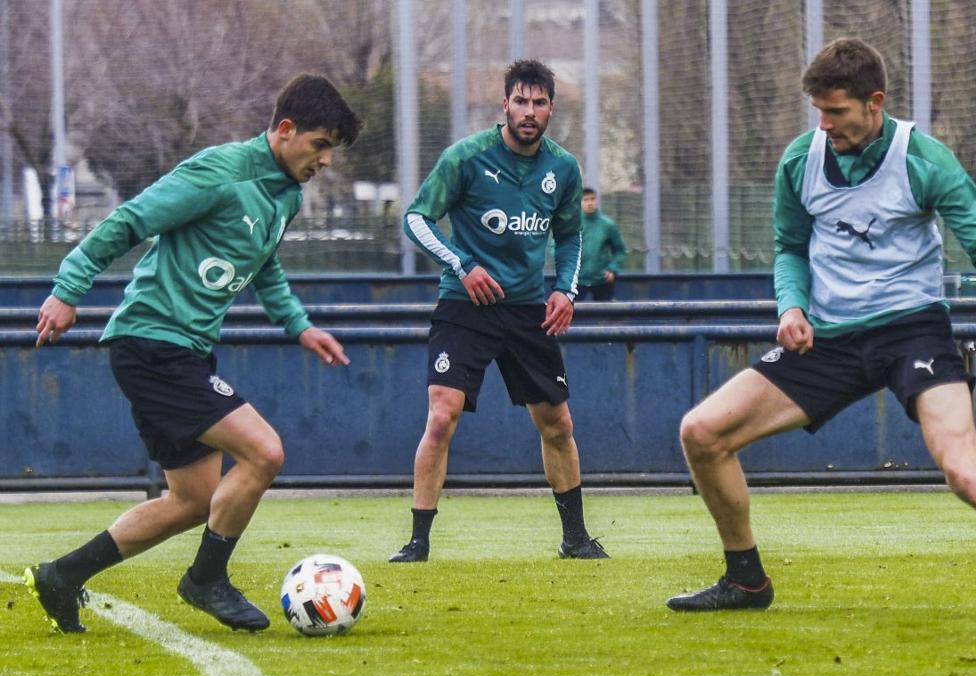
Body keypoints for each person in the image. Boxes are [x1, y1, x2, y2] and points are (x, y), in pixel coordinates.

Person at [666, 39, 976, 623]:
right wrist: (791, 307)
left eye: (837, 112)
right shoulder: (801, 161)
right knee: (701, 432)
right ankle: (746, 582)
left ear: (874, 102)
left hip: (913, 332)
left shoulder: (924, 159)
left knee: (962, 469)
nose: (824, 126)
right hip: (831, 339)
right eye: (819, 113)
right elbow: (789, 248)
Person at [26, 74, 363, 634]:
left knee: (193, 500)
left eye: (332, 150)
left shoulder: (284, 196)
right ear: (285, 130)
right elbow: (131, 219)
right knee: (264, 452)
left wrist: (300, 327)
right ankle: (206, 579)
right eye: (320, 144)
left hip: (185, 353)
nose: (326, 160)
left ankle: (63, 575)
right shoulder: (220, 172)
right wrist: (68, 288)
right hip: (152, 344)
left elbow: (267, 269)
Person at [393, 59, 607, 563]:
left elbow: (571, 234)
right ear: (504, 105)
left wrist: (566, 291)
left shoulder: (564, 168)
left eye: (539, 103)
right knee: (442, 415)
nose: (529, 112)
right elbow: (416, 219)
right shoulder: (465, 158)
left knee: (557, 424)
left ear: (551, 108)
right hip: (465, 306)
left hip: (529, 309)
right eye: (520, 101)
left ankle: (575, 538)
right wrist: (462, 264)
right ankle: (418, 541)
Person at [578, 188, 627, 301]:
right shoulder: (572, 224)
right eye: (585, 200)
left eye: (592, 199)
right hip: (576, 281)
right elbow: (556, 246)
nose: (589, 203)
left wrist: (612, 269)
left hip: (602, 280)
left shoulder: (607, 225)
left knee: (607, 317)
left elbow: (619, 250)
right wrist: (567, 270)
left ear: (597, 201)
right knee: (572, 316)